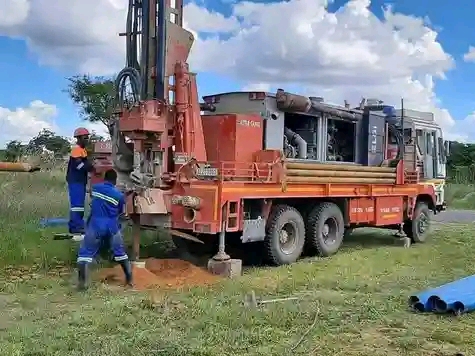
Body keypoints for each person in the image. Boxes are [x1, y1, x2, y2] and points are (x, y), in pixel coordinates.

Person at [76, 168, 133, 290]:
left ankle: (83, 284)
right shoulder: (119, 196)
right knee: (120, 254)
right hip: (111, 226)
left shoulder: (96, 188)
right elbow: (121, 214)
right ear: (115, 180)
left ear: (104, 178)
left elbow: (92, 197)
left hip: (96, 225)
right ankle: (129, 281)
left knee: (84, 255)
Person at [67, 127, 93, 235]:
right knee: (77, 205)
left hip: (79, 181)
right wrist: (91, 167)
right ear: (78, 138)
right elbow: (79, 165)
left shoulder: (82, 150)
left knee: (78, 205)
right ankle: (77, 226)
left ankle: (75, 226)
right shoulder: (77, 150)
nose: (87, 139)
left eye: (87, 137)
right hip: (75, 181)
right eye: (84, 137)